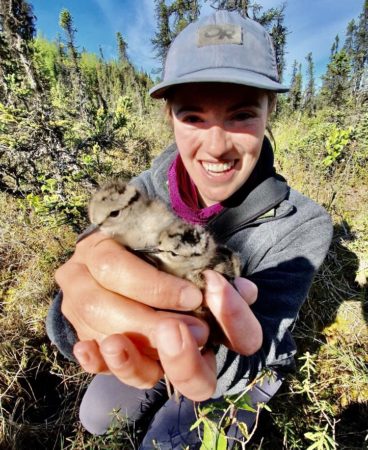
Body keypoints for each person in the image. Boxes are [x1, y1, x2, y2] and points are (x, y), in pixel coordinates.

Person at [46, 10, 333, 449]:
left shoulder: (304, 224)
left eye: (241, 115)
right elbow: (89, 274)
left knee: (165, 443)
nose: (216, 146)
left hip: (240, 365)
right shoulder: (143, 191)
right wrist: (77, 310)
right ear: (169, 115)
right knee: (98, 417)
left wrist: (205, 353)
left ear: (270, 110)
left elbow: (257, 341)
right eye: (193, 116)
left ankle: (244, 397)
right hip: (157, 340)